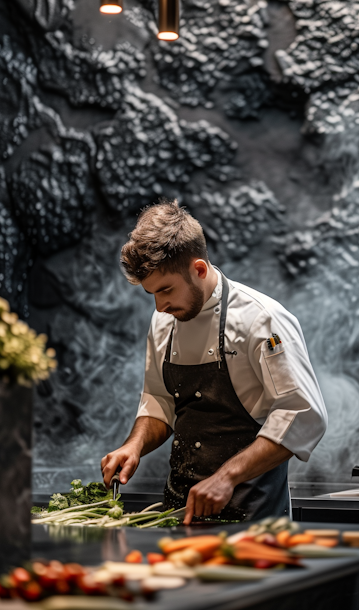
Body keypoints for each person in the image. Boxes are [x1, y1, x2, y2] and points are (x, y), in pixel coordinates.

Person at [101, 199, 327, 525]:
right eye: (152, 294)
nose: (160, 305)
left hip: (255, 519)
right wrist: (133, 446)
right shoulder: (163, 320)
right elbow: (159, 402)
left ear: (199, 269)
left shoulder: (263, 320)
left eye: (166, 290)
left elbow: (303, 414)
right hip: (179, 514)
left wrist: (226, 477)